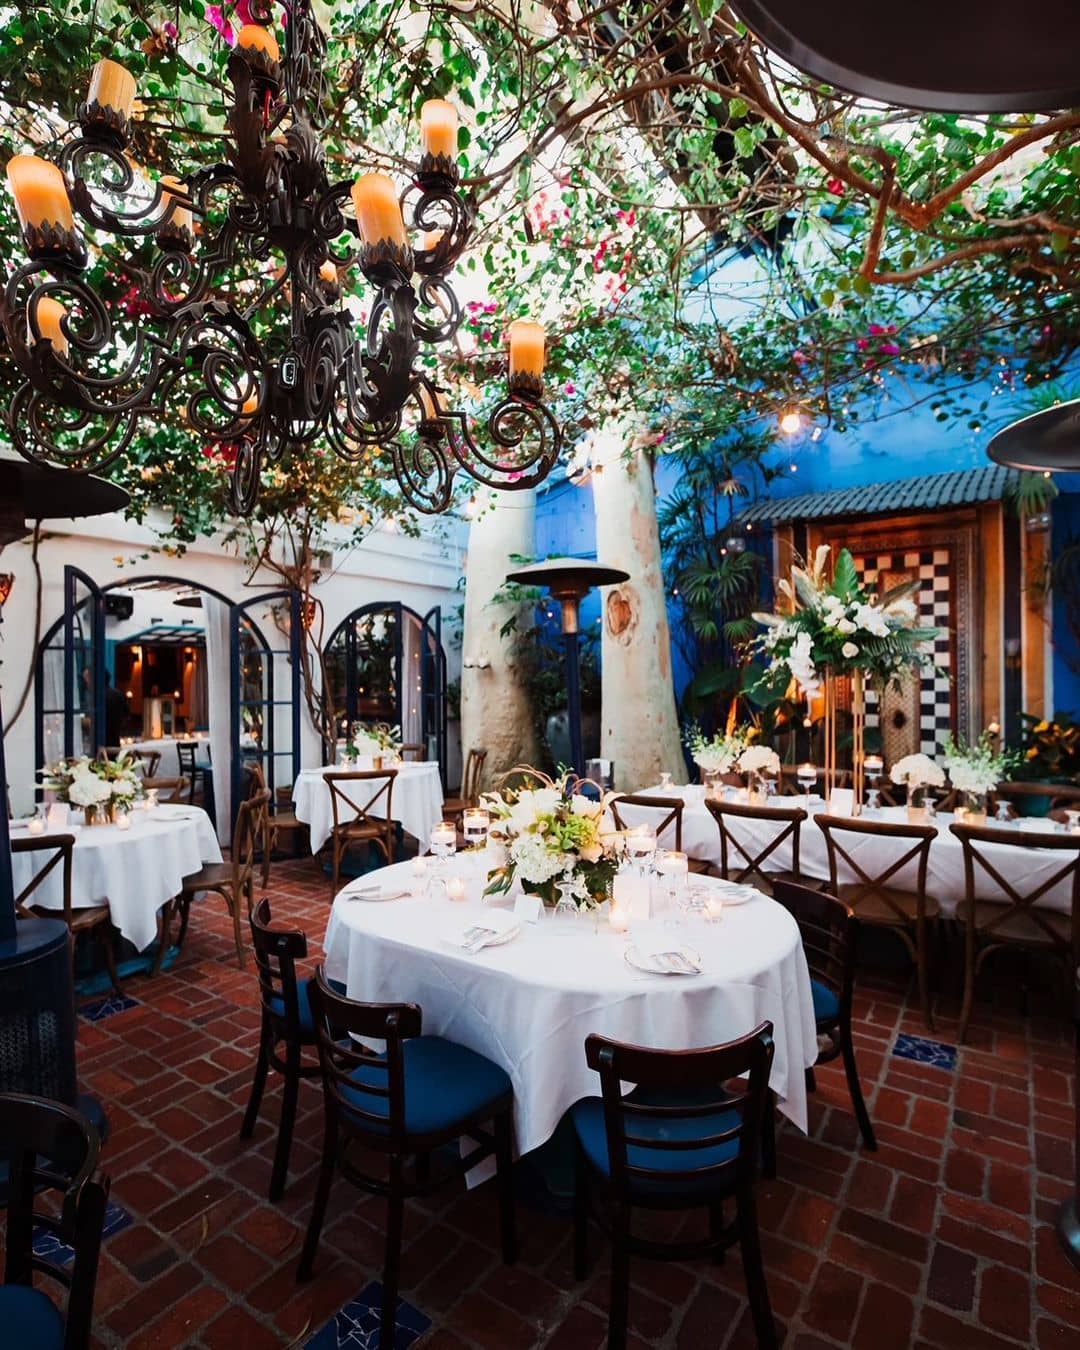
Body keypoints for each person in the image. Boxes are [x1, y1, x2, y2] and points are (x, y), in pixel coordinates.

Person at [104, 670, 128, 748]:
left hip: (102, 738)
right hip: (115, 736)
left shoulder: (98, 696)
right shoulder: (118, 694)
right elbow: (126, 713)